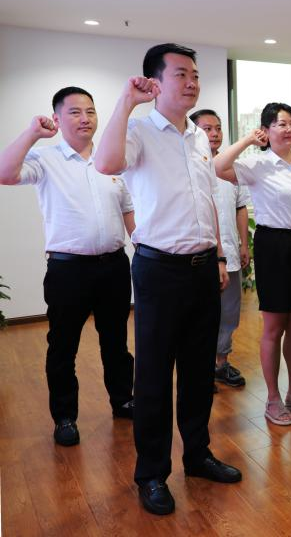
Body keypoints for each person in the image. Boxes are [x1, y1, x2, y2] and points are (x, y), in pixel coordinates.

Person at [94, 43, 240, 516]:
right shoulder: (138, 130)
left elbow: (208, 200)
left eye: (195, 74)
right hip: (159, 269)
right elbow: (106, 164)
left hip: (203, 267)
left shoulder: (199, 136)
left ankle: (197, 455)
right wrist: (125, 102)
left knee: (198, 373)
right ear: (155, 82)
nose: (192, 81)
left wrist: (220, 257)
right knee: (154, 376)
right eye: (181, 74)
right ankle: (152, 473)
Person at [0, 87, 135, 447]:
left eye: (90, 111)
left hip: (114, 266)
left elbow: (128, 211)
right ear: (57, 119)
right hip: (68, 270)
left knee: (116, 341)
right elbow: (4, 173)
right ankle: (64, 417)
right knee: (63, 346)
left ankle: (123, 399)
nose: (85, 118)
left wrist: (144, 249)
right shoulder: (45, 159)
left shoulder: (111, 160)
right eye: (75, 112)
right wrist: (32, 133)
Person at [213, 103, 291, 426]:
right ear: (267, 130)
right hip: (274, 245)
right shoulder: (257, 165)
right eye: (280, 124)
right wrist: (248, 140)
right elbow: (218, 167)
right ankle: (273, 399)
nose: (289, 129)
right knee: (275, 326)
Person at [190, 109, 250, 390]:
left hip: (230, 255)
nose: (214, 134)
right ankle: (200, 369)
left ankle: (221, 363)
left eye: (218, 128)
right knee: (200, 315)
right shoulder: (189, 164)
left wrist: (244, 244)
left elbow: (241, 207)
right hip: (200, 257)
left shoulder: (230, 167)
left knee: (229, 313)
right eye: (207, 129)